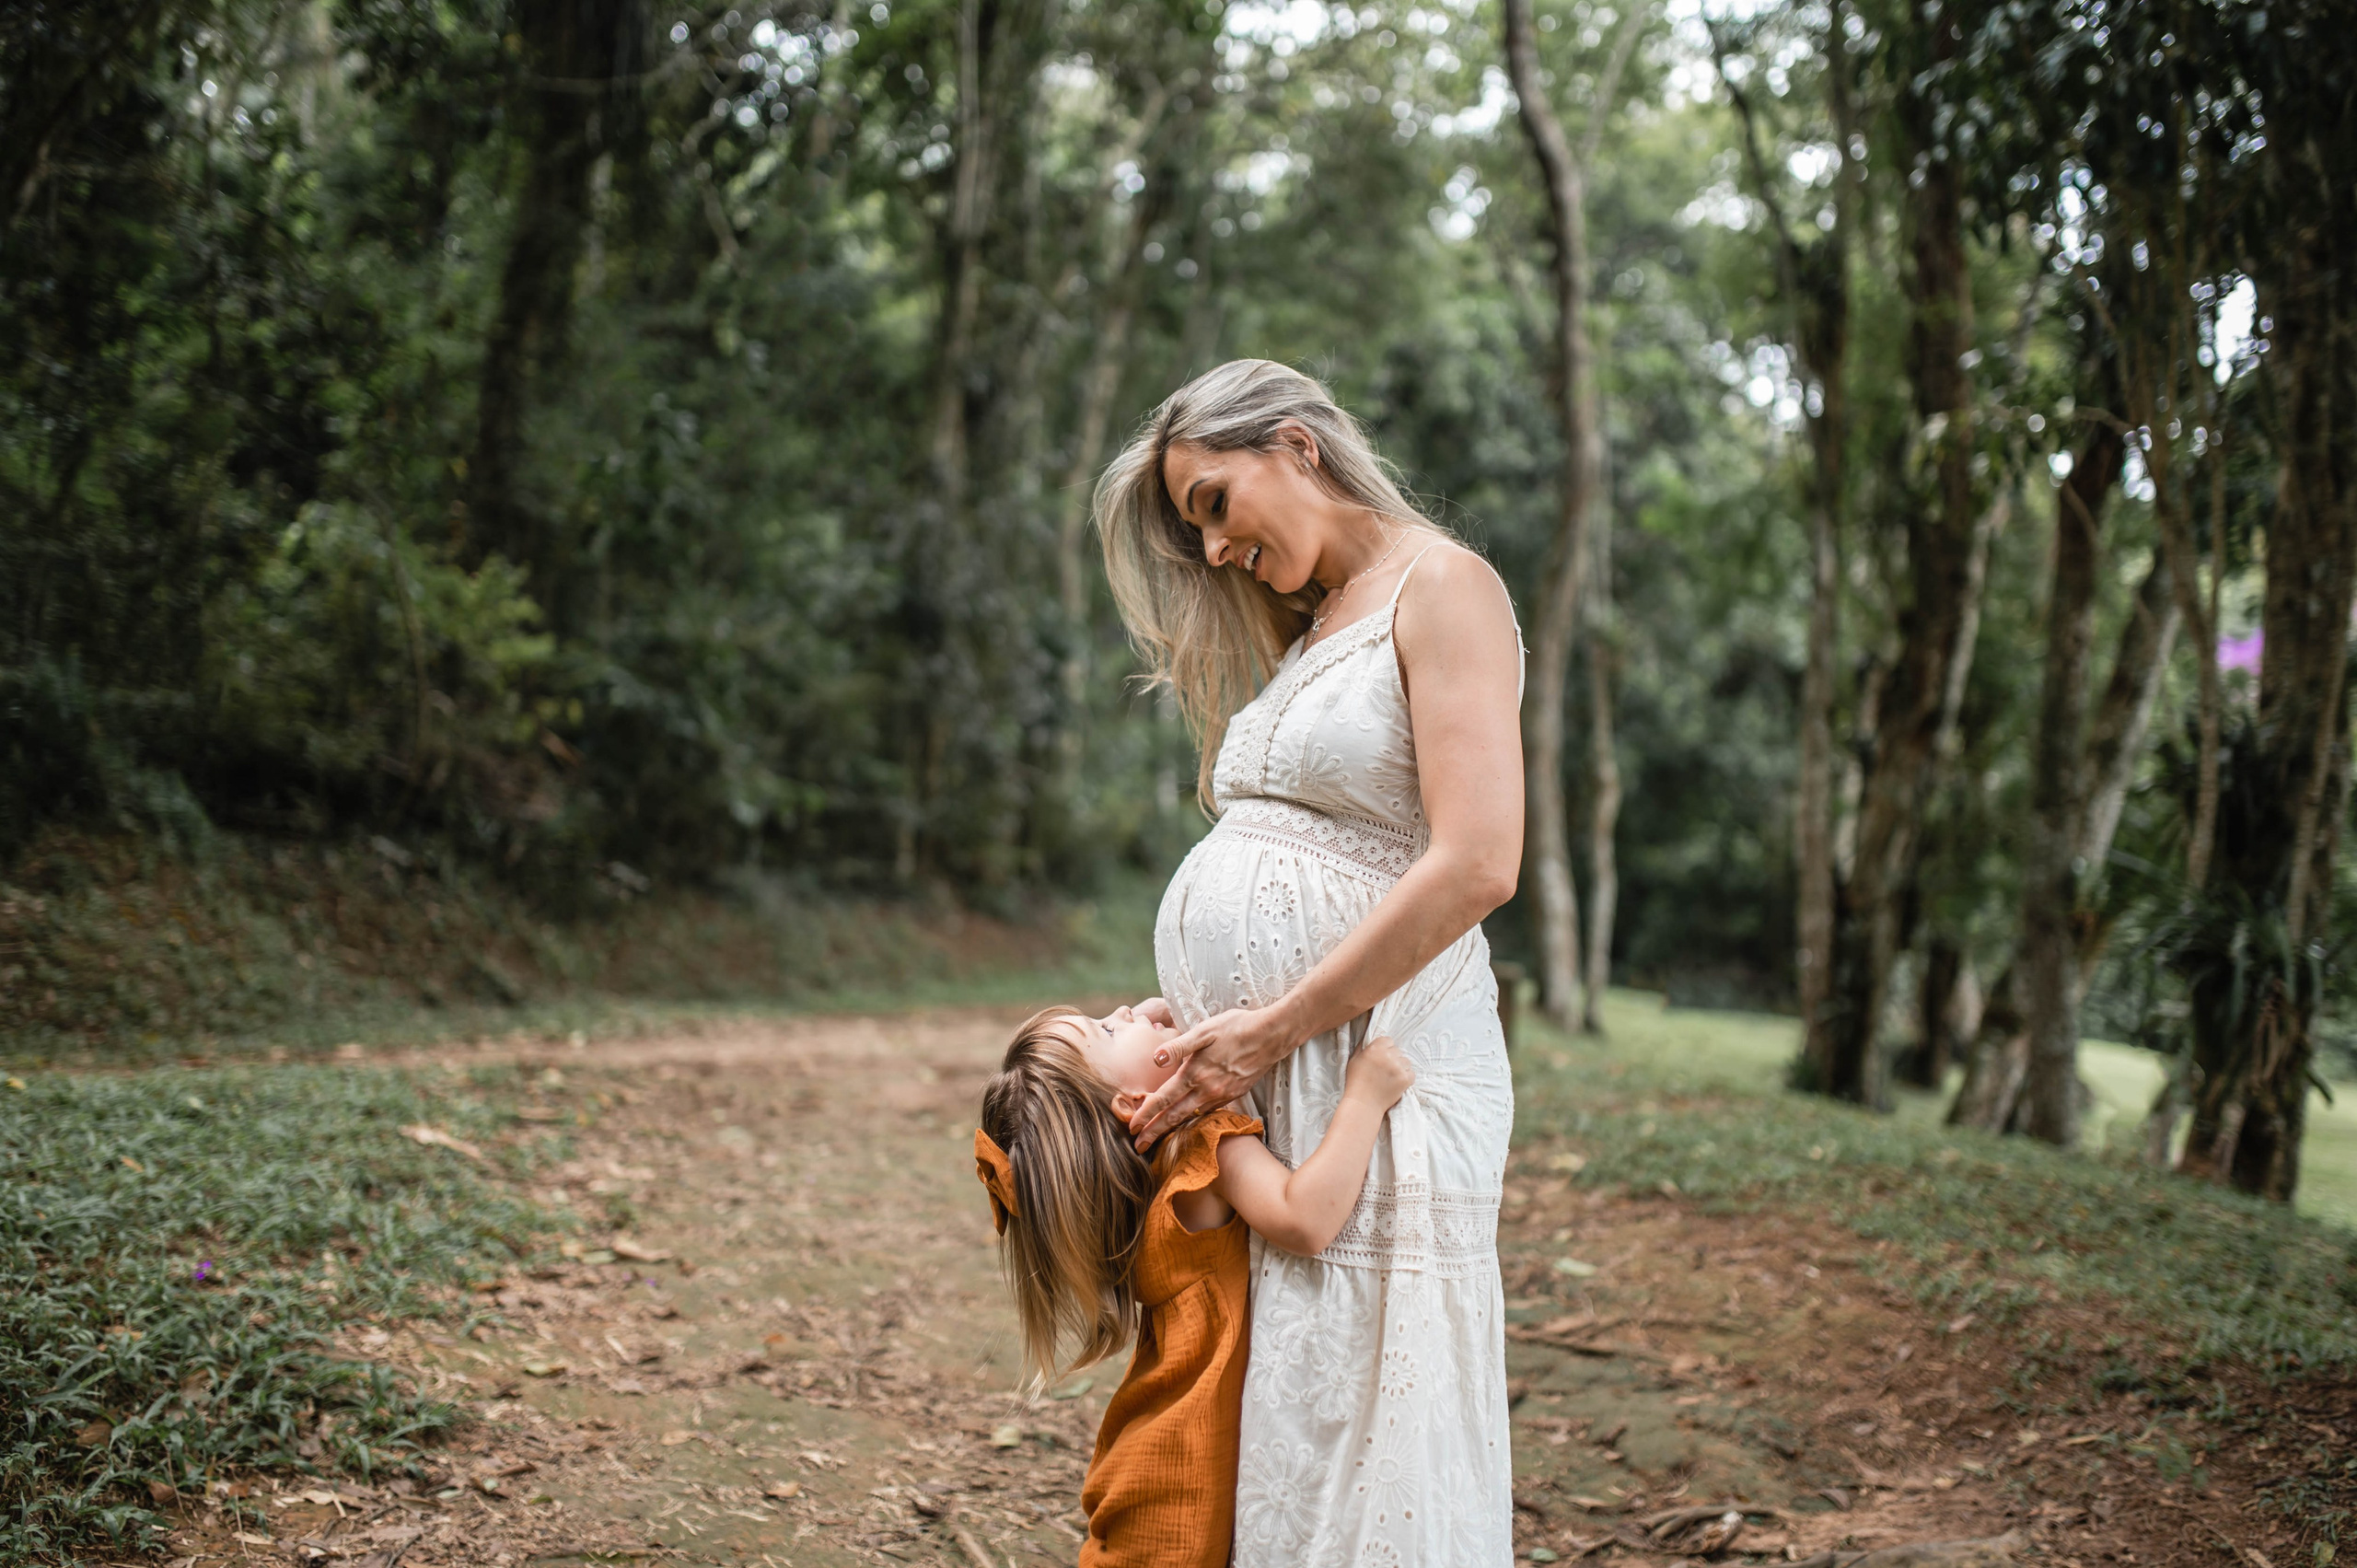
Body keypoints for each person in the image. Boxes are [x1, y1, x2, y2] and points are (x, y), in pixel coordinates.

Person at [1097, 358, 1526, 1565]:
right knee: (1292, 1390)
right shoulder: (1317, 627)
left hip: (1376, 1049)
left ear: (1295, 444)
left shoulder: (1444, 586)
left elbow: (1480, 860)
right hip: (1283, 1058)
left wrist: (1273, 1023)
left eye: (1213, 504)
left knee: (1375, 1400)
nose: (1214, 548)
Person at [975, 1003, 1415, 1568]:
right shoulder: (1202, 1148)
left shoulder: (1141, 1184)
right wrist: (1365, 1097)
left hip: (1149, 1454)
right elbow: (1305, 1219)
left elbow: (1135, 1065)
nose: (1125, 1009)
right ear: (1131, 1103)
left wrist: (1155, 1023)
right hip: (1180, 1475)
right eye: (1106, 1027)